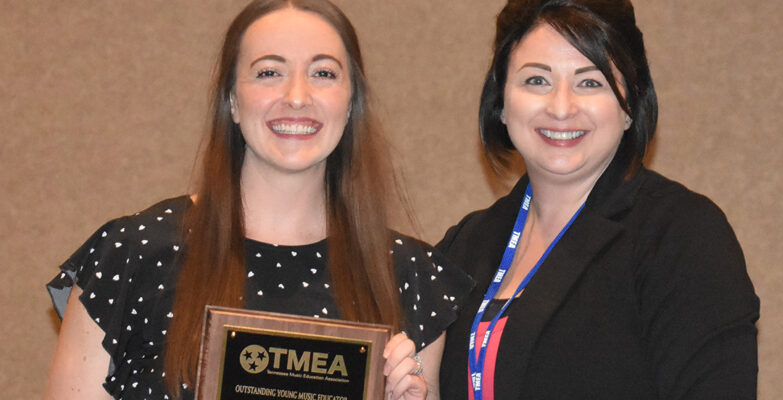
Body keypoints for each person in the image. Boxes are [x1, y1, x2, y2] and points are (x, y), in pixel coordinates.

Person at [44, 1, 472, 399]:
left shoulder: (411, 275)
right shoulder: (133, 251)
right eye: (269, 72)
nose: (298, 96)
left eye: (324, 73)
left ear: (351, 102)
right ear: (231, 99)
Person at [437, 0, 760, 399]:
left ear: (629, 107)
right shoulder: (464, 245)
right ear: (501, 102)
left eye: (590, 82)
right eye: (536, 80)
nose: (560, 107)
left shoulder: (680, 236)